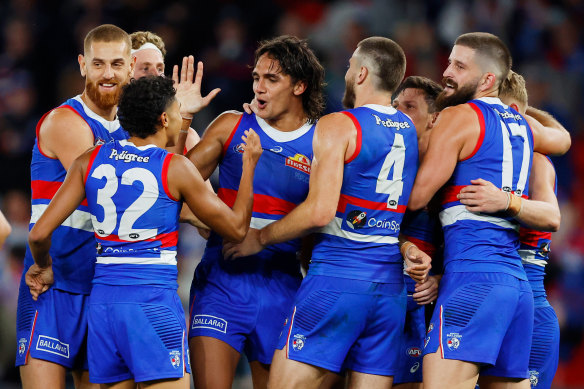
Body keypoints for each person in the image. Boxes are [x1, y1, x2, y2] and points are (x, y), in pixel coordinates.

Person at [25, 75, 262, 388]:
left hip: (104, 305)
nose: (181, 119)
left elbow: (38, 234)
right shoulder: (175, 167)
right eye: (178, 112)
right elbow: (236, 228)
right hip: (153, 301)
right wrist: (248, 168)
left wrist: (43, 265)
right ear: (164, 118)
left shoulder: (90, 159)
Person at [225, 36, 431, 389]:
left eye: (351, 66)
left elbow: (320, 211)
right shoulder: (410, 131)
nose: (348, 72)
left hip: (337, 277)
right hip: (389, 292)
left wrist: (260, 237)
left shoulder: (339, 124)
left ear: (362, 73)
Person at [407, 32, 570, 388]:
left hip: (472, 279)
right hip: (517, 289)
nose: (447, 72)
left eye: (459, 66)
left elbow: (417, 198)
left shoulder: (460, 118)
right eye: (449, 61)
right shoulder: (523, 126)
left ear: (488, 80)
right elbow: (563, 139)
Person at [185, 35, 326, 389]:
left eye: (271, 79)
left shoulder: (323, 143)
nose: (259, 88)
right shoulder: (231, 125)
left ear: (300, 86)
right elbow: (169, 183)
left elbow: (325, 217)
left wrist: (262, 239)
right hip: (222, 280)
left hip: (284, 284)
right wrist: (184, 117)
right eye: (256, 78)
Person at [15, 24, 134, 389]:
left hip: (101, 287)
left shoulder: (128, 131)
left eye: (117, 64)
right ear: (83, 65)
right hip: (52, 285)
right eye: (98, 64)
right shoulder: (66, 121)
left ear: (130, 67)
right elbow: (105, 192)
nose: (108, 74)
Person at [457, 70, 561, 389]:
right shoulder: (476, 158)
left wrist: (506, 201)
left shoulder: (537, 162)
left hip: (528, 307)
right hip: (485, 297)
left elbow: (551, 217)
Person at [392, 76, 444, 389]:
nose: (398, 114)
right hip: (375, 293)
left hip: (425, 309)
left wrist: (441, 280)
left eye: (409, 107)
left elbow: (468, 245)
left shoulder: (455, 173)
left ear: (434, 119)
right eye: (395, 106)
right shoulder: (381, 164)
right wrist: (404, 246)